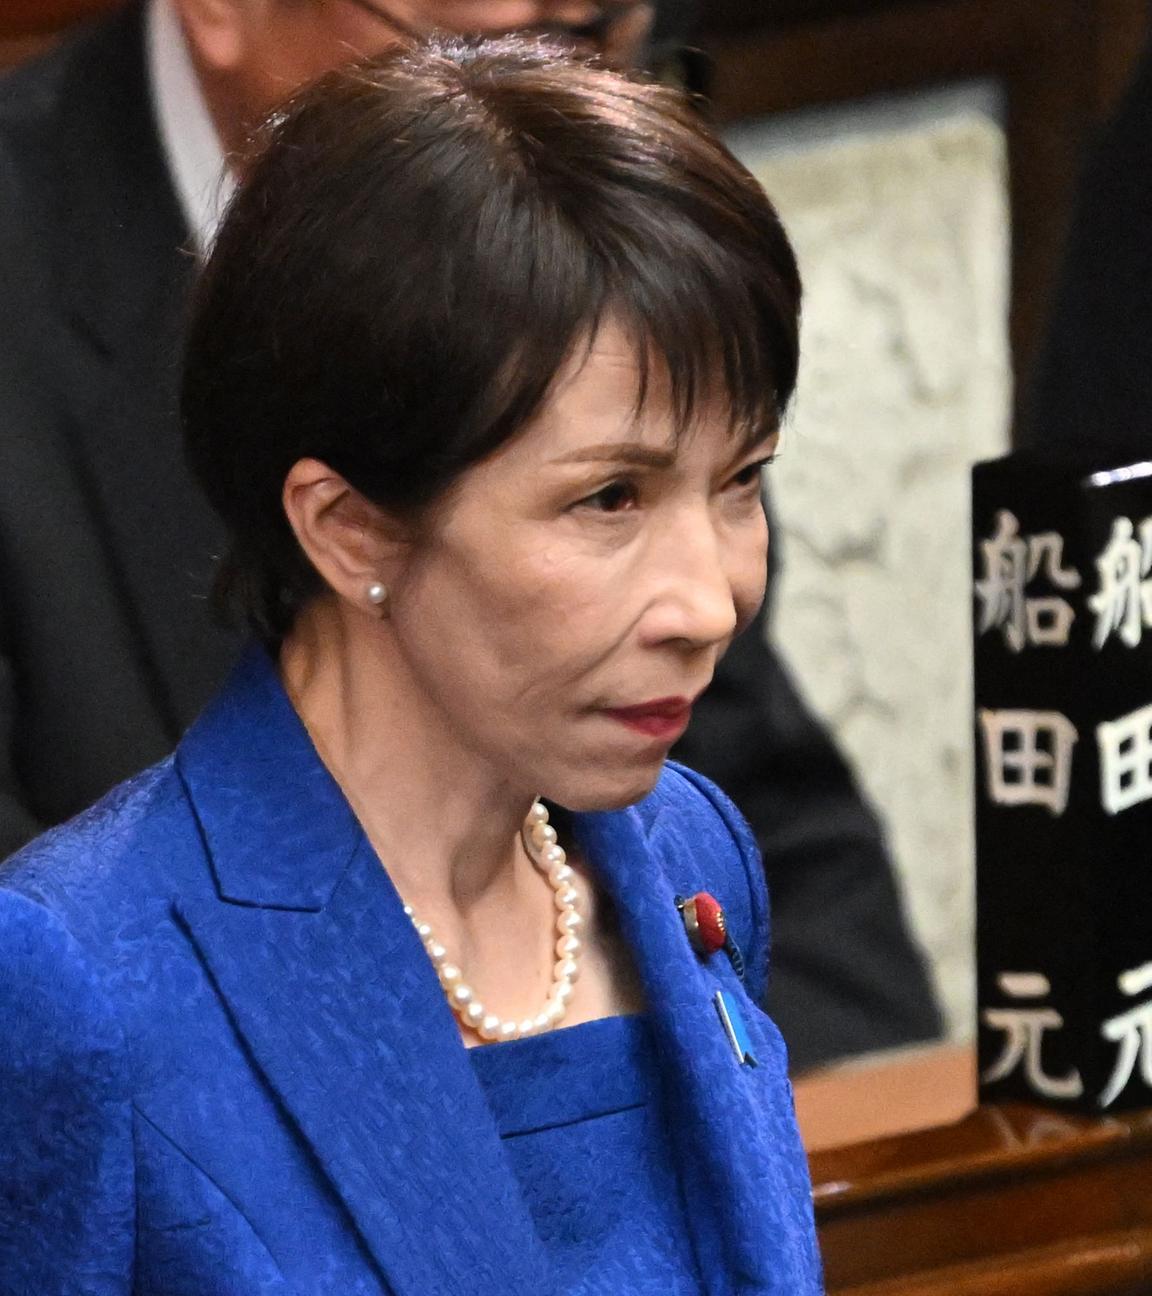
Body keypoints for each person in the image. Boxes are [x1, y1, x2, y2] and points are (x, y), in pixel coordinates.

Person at [0, 40, 822, 1293]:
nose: (711, 600)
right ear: (347, 526)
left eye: (741, 482)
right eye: (610, 498)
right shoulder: (83, 980)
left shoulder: (690, 857)